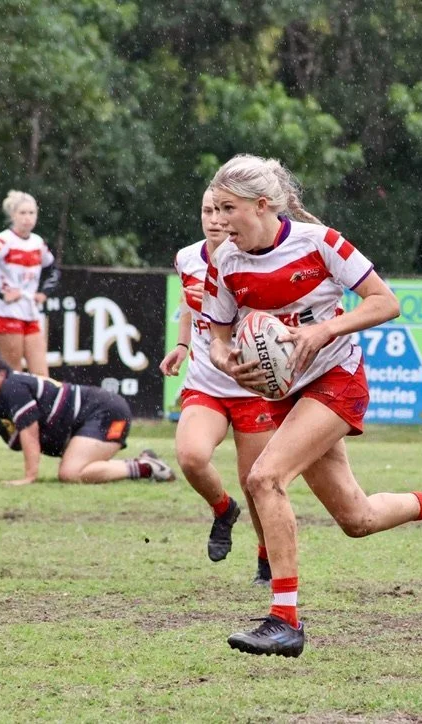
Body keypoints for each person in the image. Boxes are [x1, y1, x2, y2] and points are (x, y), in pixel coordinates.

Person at [205, 154, 422, 658]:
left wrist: (324, 330)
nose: (220, 221)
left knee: (264, 479)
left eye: (229, 208)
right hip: (286, 393)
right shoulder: (226, 261)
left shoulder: (319, 242)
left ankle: (284, 621)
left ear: (262, 205)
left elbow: (386, 302)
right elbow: (218, 339)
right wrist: (228, 363)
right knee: (357, 519)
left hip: (337, 379)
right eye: (216, 209)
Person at [159, 188, 276, 582]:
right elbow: (188, 306)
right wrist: (181, 345)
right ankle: (223, 509)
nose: (213, 219)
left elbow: (266, 320)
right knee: (191, 456)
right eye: (206, 210)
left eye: (222, 210)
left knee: (255, 482)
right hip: (206, 382)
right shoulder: (187, 258)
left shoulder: (254, 259)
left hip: (252, 387)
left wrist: (217, 305)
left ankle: (266, 555)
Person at [0, 353, 175, 487]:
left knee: (71, 473)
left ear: (1, 374)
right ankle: (144, 463)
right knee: (74, 471)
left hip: (106, 412)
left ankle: (147, 468)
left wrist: (29, 477)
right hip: (92, 417)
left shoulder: (12, 387)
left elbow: (29, 429)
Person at [0, 191, 59, 376]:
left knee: (42, 376)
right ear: (13, 215)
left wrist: (44, 293)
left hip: (31, 312)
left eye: (31, 213)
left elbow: (53, 270)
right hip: (7, 313)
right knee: (14, 374)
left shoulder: (37, 242)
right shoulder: (4, 240)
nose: (27, 218)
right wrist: (1, 294)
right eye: (22, 213)